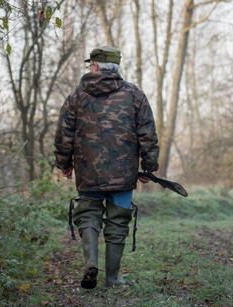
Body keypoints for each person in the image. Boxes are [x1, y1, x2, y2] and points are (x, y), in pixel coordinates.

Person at [53, 46, 159, 289]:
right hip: (123, 173)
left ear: (94, 66)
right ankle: (112, 278)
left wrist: (64, 163)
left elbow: (64, 133)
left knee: (88, 214)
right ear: (116, 67)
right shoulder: (134, 94)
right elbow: (148, 133)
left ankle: (91, 262)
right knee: (118, 222)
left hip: (88, 172)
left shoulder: (77, 96)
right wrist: (148, 167)